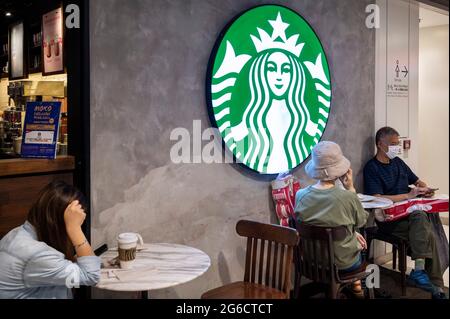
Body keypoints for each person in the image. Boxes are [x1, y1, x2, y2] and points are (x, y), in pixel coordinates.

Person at [363, 126, 448, 299]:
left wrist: (424, 189)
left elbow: (418, 181)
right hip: (388, 219)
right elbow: (377, 198)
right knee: (428, 231)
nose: (397, 147)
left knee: (424, 223)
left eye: (398, 143)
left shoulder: (398, 163)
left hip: (410, 216)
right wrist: (407, 196)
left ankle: (422, 274)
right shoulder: (372, 168)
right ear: (380, 144)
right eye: (393, 144)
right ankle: (435, 286)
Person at [0, 181, 101, 298]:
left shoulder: (18, 234)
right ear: (61, 221)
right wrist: (74, 229)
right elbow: (92, 276)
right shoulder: (37, 254)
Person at [294, 141, 369, 298]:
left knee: (353, 236)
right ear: (340, 170)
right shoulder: (347, 197)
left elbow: (319, 224)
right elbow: (362, 221)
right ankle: (357, 287)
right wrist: (351, 189)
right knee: (361, 248)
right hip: (342, 264)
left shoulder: (300, 195)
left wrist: (352, 233)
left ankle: (354, 287)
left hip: (310, 262)